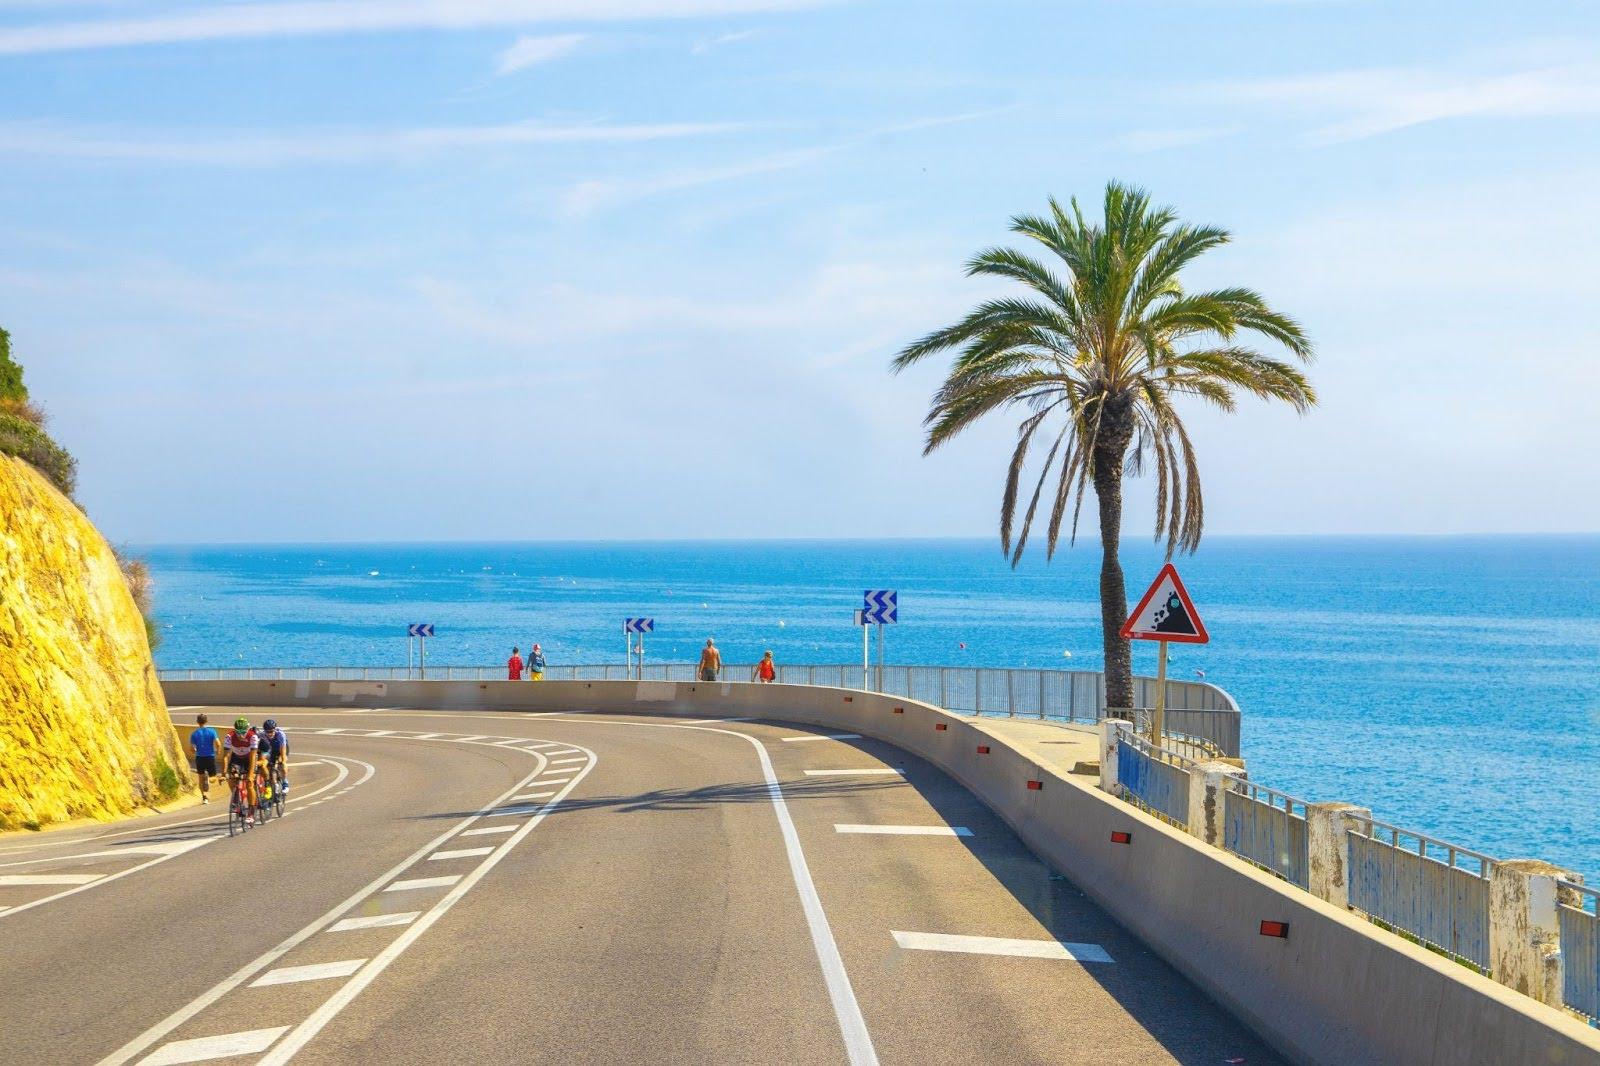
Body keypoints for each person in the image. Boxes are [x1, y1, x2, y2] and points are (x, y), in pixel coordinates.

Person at [221, 717, 260, 826]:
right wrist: (224, 772)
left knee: (250, 784)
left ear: (248, 729)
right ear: (234, 730)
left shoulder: (253, 736)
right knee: (231, 776)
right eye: (238, 732)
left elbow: (253, 757)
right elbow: (226, 756)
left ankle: (251, 812)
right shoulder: (229, 736)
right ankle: (236, 798)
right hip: (237, 758)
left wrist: (251, 775)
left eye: (243, 732)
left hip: (249, 759)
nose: (241, 735)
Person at [189, 713, 219, 804]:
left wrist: (195, 750)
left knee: (201, 778)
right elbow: (218, 743)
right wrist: (218, 751)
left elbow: (192, 749)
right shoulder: (212, 731)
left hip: (200, 758)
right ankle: (209, 781)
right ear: (206, 721)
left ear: (197, 722)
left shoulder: (194, 734)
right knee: (213, 778)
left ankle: (205, 798)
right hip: (210, 756)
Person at [258, 719, 289, 800]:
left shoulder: (280, 734)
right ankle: (274, 785)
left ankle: (285, 782)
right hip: (271, 750)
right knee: (269, 767)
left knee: (282, 762)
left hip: (281, 749)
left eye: (271, 731)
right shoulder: (262, 734)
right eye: (267, 732)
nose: (269, 734)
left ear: (275, 729)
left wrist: (283, 760)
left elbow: (283, 749)